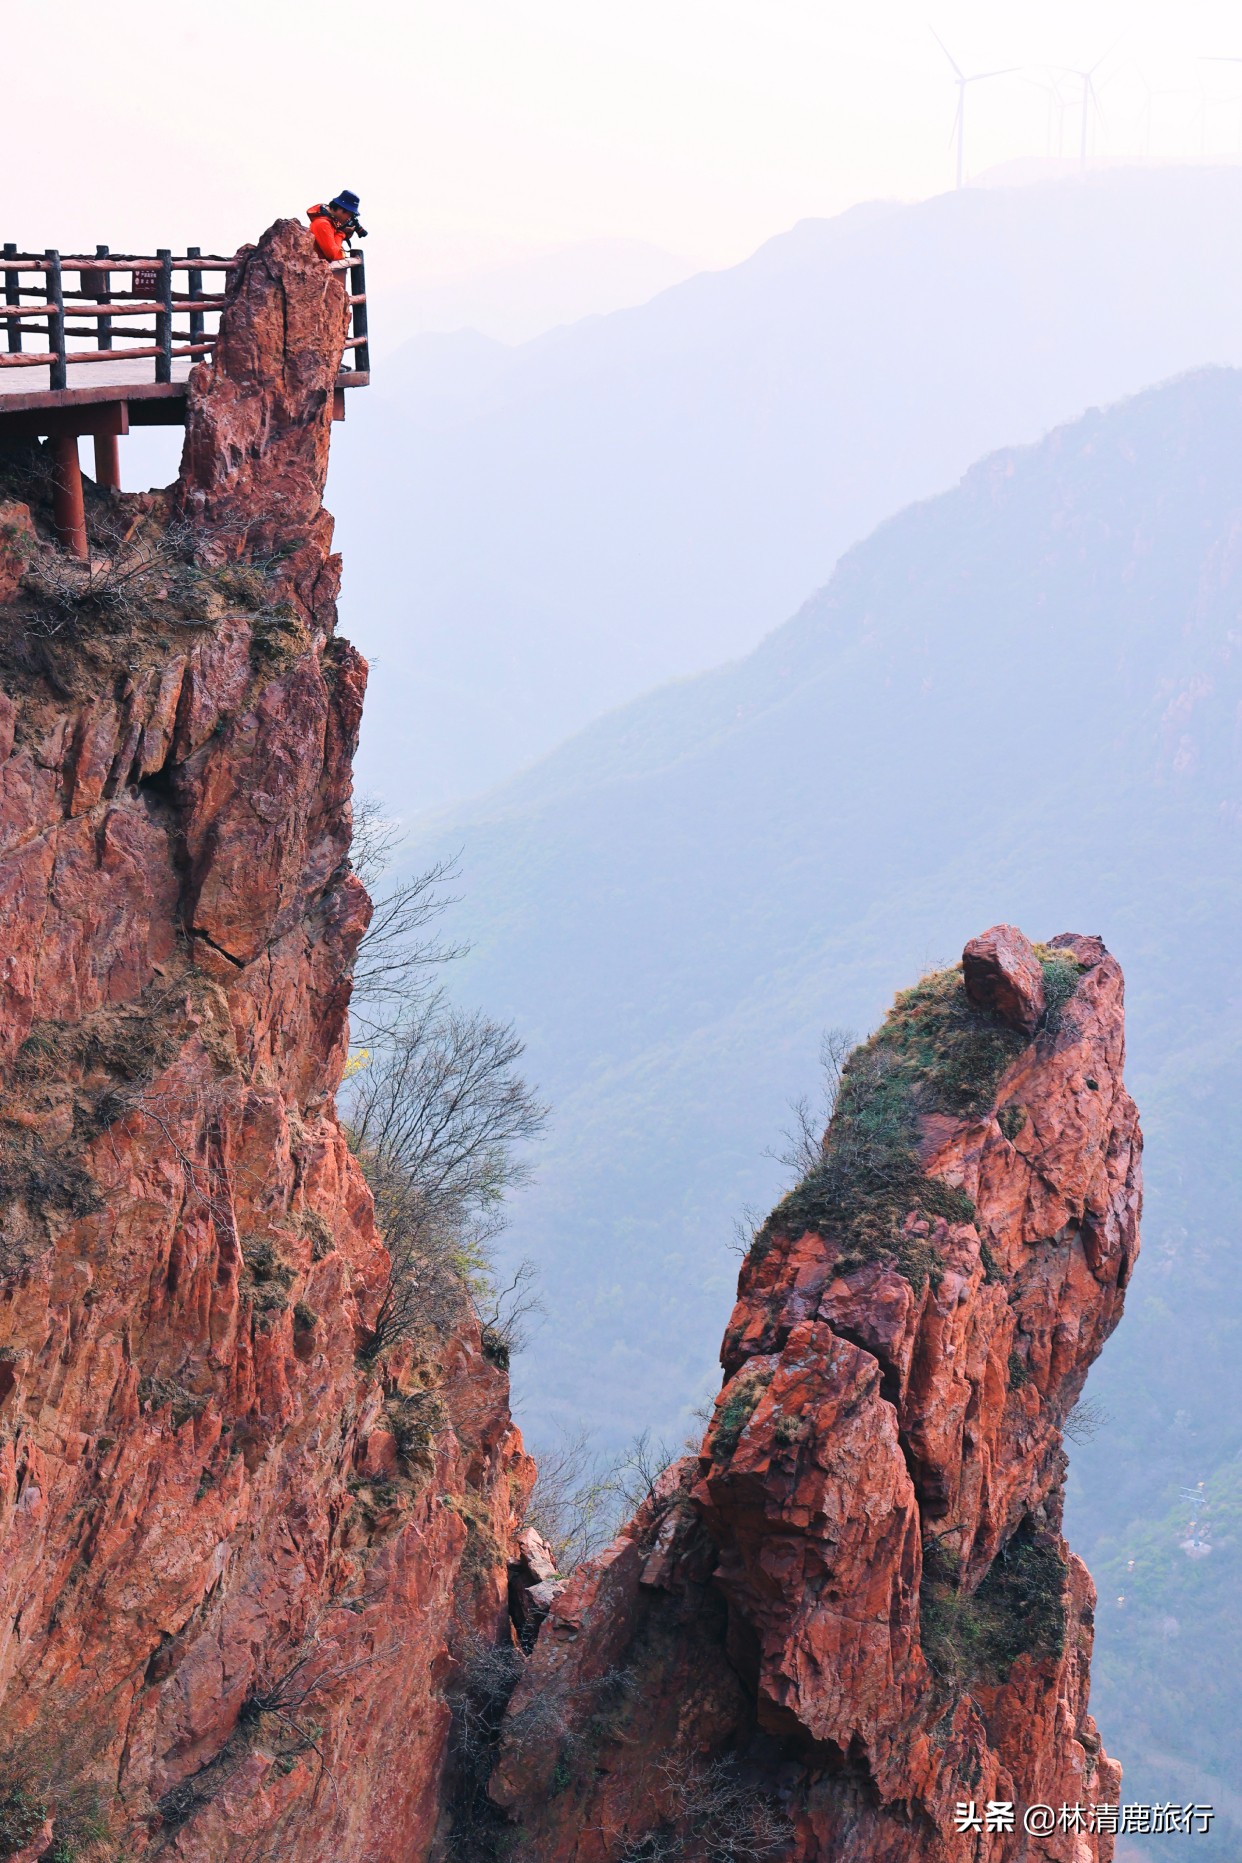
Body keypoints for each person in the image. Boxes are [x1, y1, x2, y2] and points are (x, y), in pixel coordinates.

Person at [307, 192, 366, 262]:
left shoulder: (331, 221)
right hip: (322, 271)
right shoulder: (323, 224)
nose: (349, 219)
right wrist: (341, 233)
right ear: (340, 209)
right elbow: (334, 256)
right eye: (350, 215)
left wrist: (343, 232)